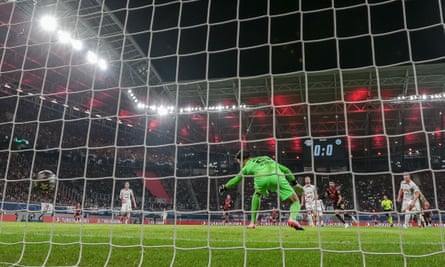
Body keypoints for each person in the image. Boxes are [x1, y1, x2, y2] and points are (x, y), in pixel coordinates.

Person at [219, 151, 304, 230]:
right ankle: (292, 219)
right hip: (276, 177)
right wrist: (294, 184)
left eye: (240, 163)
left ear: (244, 160)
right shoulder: (266, 158)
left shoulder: (248, 166)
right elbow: (286, 170)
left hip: (261, 178)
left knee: (257, 194)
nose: (240, 165)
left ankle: (252, 223)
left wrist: (225, 187)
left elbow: (236, 179)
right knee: (295, 200)